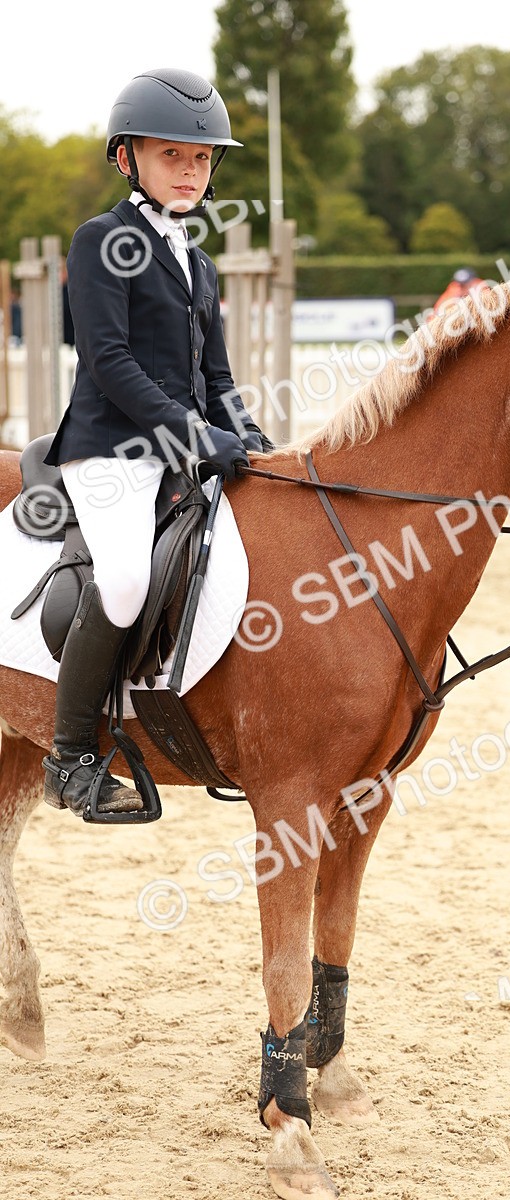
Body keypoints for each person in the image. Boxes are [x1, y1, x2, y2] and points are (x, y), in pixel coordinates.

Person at [40, 67, 272, 819]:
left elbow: (219, 375)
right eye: (172, 155)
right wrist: (193, 433)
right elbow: (109, 362)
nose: (190, 171)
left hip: (188, 446)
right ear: (126, 158)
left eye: (202, 158)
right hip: (110, 451)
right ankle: (70, 756)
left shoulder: (199, 263)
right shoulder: (99, 241)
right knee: (129, 579)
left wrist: (257, 443)